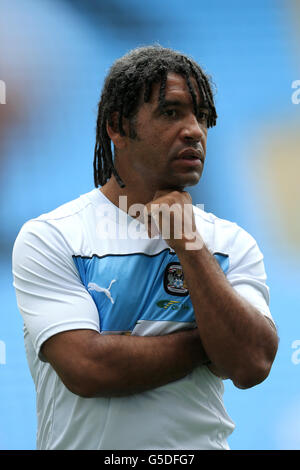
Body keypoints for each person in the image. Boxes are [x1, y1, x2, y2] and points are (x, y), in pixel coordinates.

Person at [12, 45, 278, 450]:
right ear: (117, 126)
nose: (194, 131)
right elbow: (89, 368)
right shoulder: (52, 236)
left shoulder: (229, 243)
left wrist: (188, 244)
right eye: (171, 113)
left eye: (203, 118)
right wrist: (210, 344)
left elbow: (251, 363)